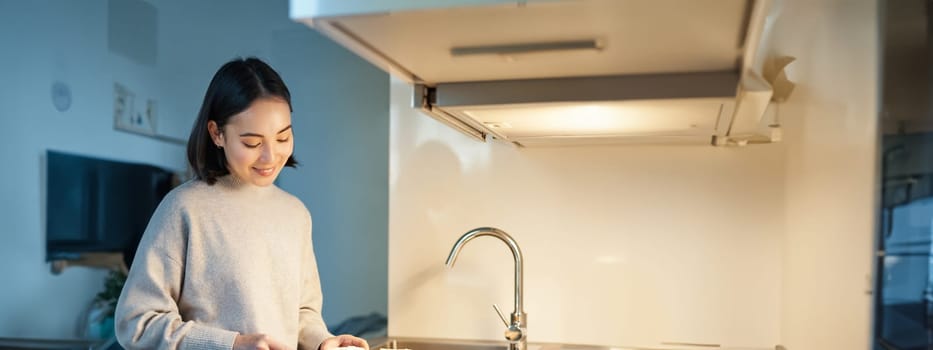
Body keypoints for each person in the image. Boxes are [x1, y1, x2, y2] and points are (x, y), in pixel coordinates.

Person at [114, 57, 370, 350]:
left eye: (283, 137)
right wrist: (231, 344)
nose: (270, 156)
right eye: (252, 143)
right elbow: (137, 322)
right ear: (216, 133)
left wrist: (324, 341)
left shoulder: (295, 214)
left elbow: (301, 313)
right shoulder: (184, 209)